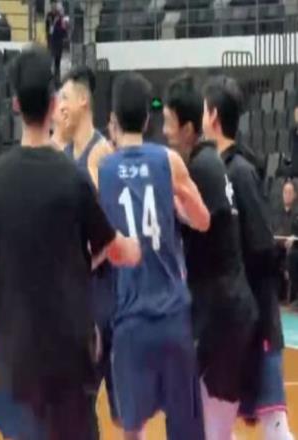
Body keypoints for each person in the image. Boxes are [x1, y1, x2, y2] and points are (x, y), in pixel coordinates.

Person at [0, 45, 141, 440]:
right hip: (66, 358)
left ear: (15, 103)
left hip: (13, 358)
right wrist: (131, 249)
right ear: (52, 102)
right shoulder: (71, 177)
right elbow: (110, 244)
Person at [101, 72, 209, 440]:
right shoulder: (169, 161)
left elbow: (96, 245)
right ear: (148, 118)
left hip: (129, 321)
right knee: (185, 429)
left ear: (114, 118)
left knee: (133, 430)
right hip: (173, 318)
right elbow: (203, 220)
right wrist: (177, 206)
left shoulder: (104, 169)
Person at [163, 74, 258, 440]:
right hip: (221, 311)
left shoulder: (203, 167)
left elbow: (204, 222)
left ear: (189, 129)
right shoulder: (205, 163)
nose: (165, 132)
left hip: (223, 316)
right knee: (214, 428)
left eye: (169, 123)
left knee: (214, 429)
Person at [203, 75, 294, 440]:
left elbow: (262, 247)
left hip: (255, 319)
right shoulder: (216, 169)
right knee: (219, 423)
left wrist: (252, 302)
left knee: (274, 423)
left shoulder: (239, 172)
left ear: (212, 115)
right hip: (231, 324)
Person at [58, 65, 118, 425]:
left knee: (119, 411)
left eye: (65, 98)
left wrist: (83, 265)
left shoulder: (102, 154)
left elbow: (110, 231)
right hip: (78, 295)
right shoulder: (64, 153)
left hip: (104, 292)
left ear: (83, 101)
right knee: (80, 402)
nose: (60, 105)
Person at [273, 180, 298, 306]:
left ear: (295, 195)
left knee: (292, 255)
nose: (287, 195)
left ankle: (293, 297)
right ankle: (274, 294)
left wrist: (293, 238)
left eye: (290, 192)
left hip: (294, 247)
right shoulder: (276, 212)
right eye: (285, 192)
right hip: (278, 245)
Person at [45, 1, 68, 85]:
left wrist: (59, 28)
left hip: (58, 41)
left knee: (57, 62)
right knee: (50, 62)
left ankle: (57, 81)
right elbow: (47, 28)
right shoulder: (49, 15)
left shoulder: (60, 16)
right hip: (51, 41)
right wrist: (48, 38)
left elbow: (64, 30)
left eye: (55, 4)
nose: (53, 6)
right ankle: (50, 81)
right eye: (52, 4)